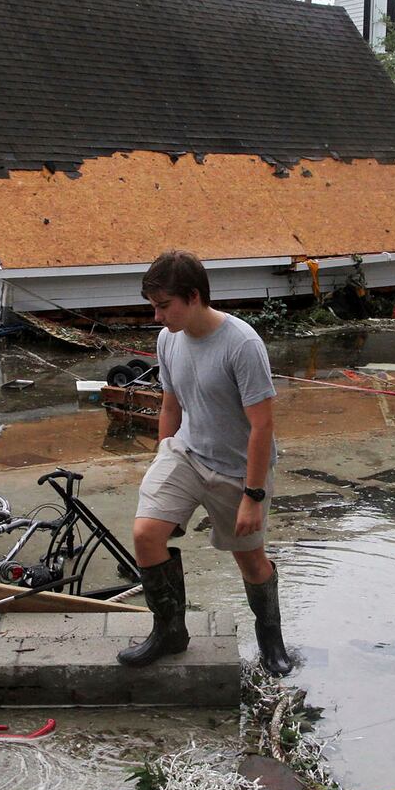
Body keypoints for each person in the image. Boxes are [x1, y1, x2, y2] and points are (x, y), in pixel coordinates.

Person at [118, 249, 293, 676]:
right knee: (146, 533)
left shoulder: (242, 344)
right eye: (153, 307)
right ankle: (170, 632)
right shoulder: (168, 340)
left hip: (239, 469)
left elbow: (262, 426)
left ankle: (272, 640)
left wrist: (253, 496)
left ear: (193, 297)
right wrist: (163, 457)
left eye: (163, 306)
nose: (157, 317)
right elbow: (171, 406)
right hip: (187, 454)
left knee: (250, 561)